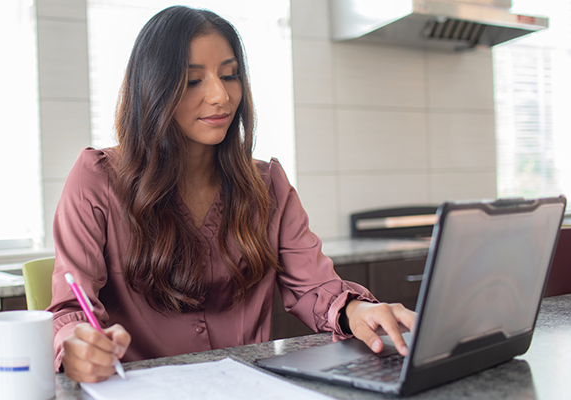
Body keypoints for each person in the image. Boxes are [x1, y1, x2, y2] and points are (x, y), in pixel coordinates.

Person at [47, 5, 416, 383]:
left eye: (230, 75)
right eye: (193, 81)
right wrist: (77, 345)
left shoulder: (268, 184)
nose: (220, 96)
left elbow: (316, 287)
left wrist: (356, 312)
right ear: (153, 89)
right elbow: (69, 312)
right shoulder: (97, 178)